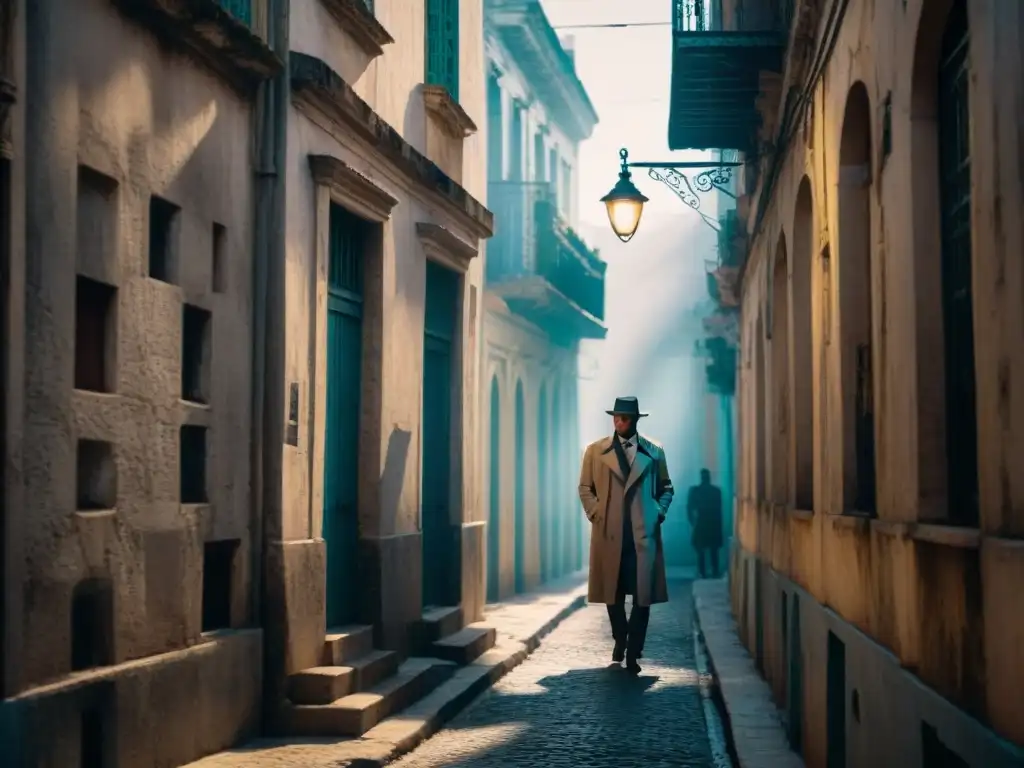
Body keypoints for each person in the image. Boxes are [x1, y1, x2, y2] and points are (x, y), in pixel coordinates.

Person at [578, 396, 674, 675]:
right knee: (613, 594)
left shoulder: (654, 452)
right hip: (610, 533)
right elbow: (585, 487)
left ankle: (633, 652)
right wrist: (596, 513)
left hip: (642, 534)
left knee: (642, 597)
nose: (619, 422)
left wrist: (657, 512)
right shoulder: (595, 451)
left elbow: (667, 487)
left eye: (624, 418)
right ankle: (621, 638)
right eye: (616, 417)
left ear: (634, 421)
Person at [687, 468, 723, 579]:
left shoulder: (695, 491)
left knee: (701, 550)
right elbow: (719, 510)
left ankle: (703, 571)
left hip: (702, 523)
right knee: (713, 550)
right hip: (712, 524)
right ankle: (714, 570)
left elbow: (689, 508)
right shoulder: (716, 491)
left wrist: (692, 522)